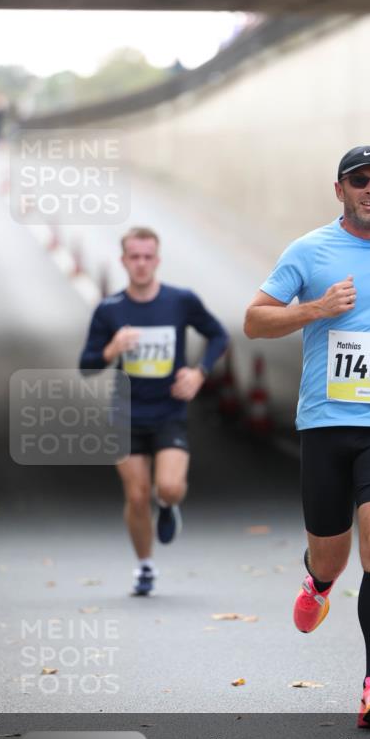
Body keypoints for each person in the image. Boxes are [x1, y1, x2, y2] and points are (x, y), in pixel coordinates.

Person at [244, 145, 370, 728]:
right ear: (340, 190)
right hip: (326, 424)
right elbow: (254, 320)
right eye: (359, 180)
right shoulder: (309, 250)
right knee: (333, 553)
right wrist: (316, 309)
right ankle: (319, 581)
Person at [80, 227, 229, 596]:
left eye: (148, 257)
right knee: (136, 495)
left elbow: (219, 335)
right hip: (126, 415)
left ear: (157, 260)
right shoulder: (110, 309)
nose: (141, 264)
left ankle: (167, 505)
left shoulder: (180, 301)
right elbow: (87, 365)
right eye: (135, 257)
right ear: (123, 261)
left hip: (168, 412)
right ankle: (145, 566)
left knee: (170, 487)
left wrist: (199, 372)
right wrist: (113, 348)